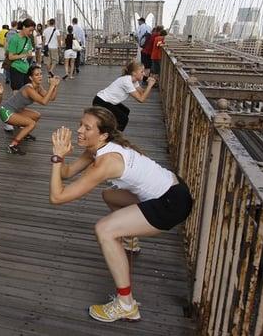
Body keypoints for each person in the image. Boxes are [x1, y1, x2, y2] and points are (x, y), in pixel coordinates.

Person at [49, 107, 193, 322]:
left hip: (171, 204)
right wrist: (60, 157)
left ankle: (126, 304)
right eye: (80, 124)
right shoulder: (98, 147)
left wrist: (56, 157)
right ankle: (130, 240)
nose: (79, 130)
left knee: (104, 230)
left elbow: (57, 197)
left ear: (103, 134)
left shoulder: (107, 162)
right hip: (171, 190)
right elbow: (67, 173)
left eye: (87, 128)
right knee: (110, 195)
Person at [0, 65, 61, 155]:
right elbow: (44, 102)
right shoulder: (28, 89)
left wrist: (55, 86)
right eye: (36, 75)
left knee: (36, 115)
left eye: (40, 74)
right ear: (30, 78)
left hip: (16, 111)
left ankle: (24, 134)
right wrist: (51, 86)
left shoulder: (38, 87)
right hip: (6, 112)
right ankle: (12, 146)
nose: (40, 76)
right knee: (32, 123)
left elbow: (51, 98)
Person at [92, 61, 156, 131]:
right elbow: (141, 99)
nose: (144, 74)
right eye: (142, 72)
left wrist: (149, 85)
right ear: (134, 73)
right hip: (101, 102)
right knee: (123, 119)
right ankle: (114, 136)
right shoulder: (127, 81)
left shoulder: (134, 80)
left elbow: (143, 93)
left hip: (107, 101)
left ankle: (110, 130)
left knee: (125, 111)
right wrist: (149, 85)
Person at [6, 19, 36, 93]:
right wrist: (25, 54)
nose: (31, 33)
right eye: (30, 30)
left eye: (32, 31)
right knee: (17, 93)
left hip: (26, 69)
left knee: (26, 94)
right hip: (16, 69)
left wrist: (30, 54)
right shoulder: (15, 39)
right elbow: (11, 56)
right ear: (24, 27)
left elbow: (29, 52)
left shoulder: (28, 39)